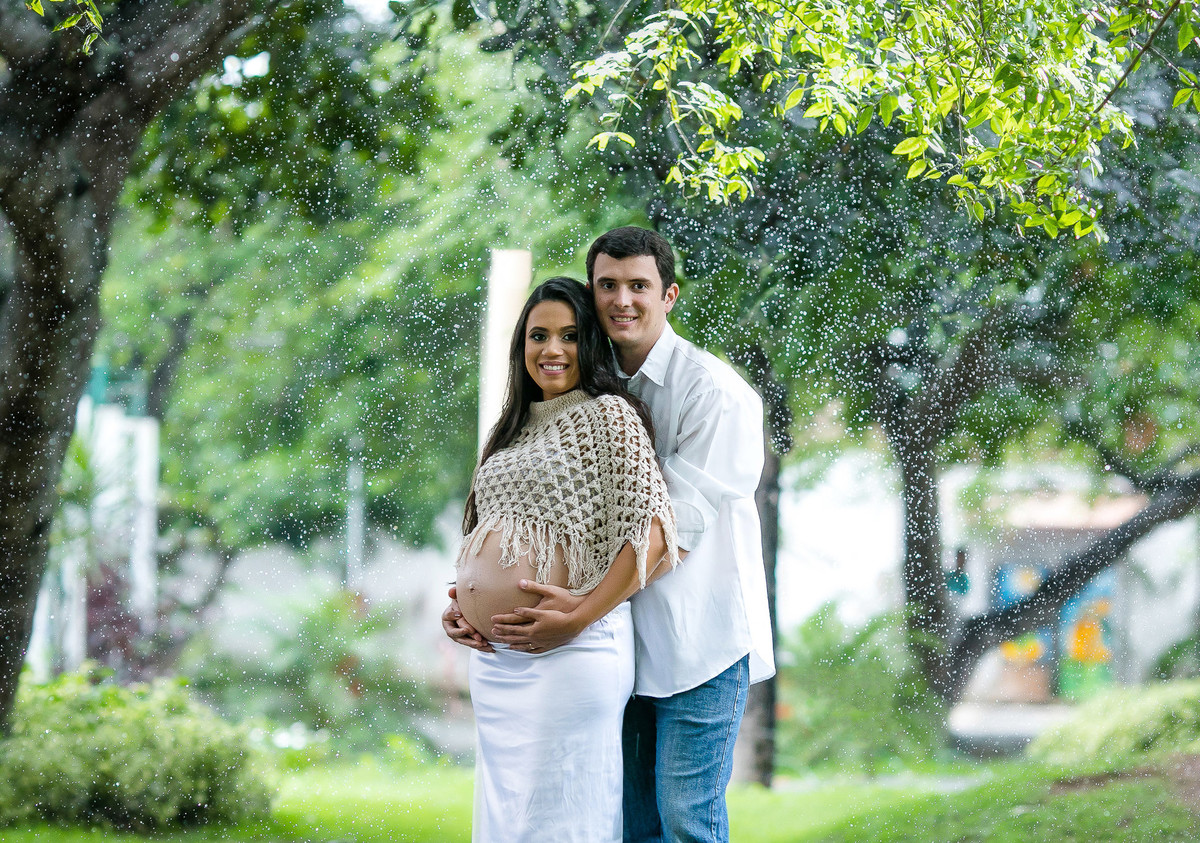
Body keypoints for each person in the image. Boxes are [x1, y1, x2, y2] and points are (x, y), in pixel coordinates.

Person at [445, 228, 775, 843]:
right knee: (631, 825)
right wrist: (467, 600)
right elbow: (538, 522)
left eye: (639, 286)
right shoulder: (577, 394)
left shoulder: (716, 394)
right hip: (618, 639)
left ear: (668, 295)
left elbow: (666, 530)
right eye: (608, 286)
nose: (622, 300)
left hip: (696, 643)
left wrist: (578, 617)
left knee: (685, 817)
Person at [453, 276, 679, 842]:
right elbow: (491, 536)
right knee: (506, 821)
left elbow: (653, 537)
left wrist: (578, 616)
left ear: (592, 345)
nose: (552, 350)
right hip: (497, 660)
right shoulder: (511, 429)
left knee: (561, 818)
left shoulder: (609, 417)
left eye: (570, 336)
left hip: (573, 650)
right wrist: (462, 604)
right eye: (538, 335)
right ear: (521, 346)